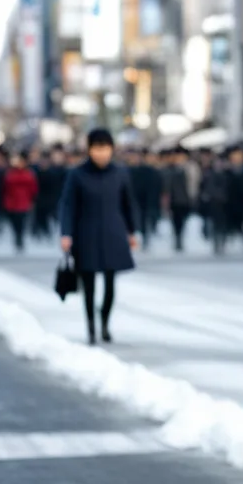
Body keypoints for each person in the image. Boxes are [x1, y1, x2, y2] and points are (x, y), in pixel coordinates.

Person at [59, 128, 138, 345]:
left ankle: (104, 322)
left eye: (105, 148)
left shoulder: (120, 173)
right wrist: (66, 233)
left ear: (111, 149)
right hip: (86, 234)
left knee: (111, 284)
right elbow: (68, 205)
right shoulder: (77, 174)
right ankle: (91, 327)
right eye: (97, 148)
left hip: (113, 232)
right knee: (89, 284)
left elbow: (128, 204)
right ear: (89, 149)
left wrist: (132, 231)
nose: (101, 153)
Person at [1, 151, 39, 252]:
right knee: (14, 221)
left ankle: (19, 237)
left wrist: (32, 200)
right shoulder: (10, 173)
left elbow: (33, 188)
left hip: (23, 202)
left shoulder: (29, 173)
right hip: (12, 201)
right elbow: (5, 187)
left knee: (21, 221)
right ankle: (17, 236)